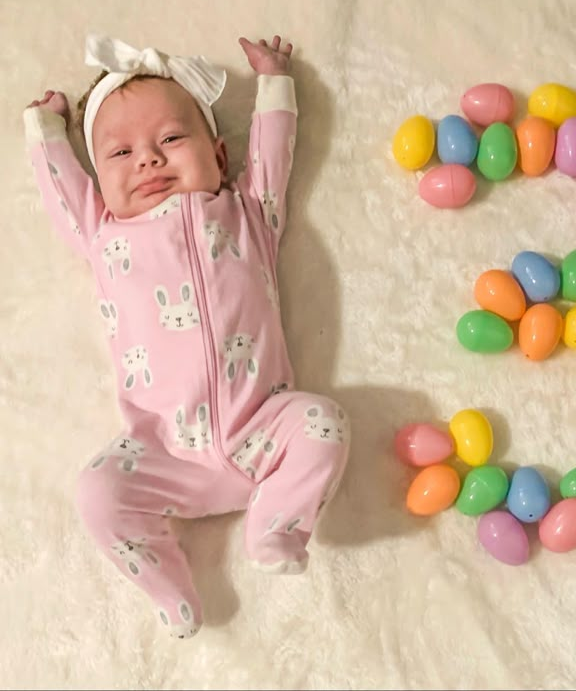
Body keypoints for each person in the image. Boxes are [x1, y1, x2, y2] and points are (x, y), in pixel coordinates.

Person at [23, 33, 350, 639]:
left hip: (263, 429)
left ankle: (275, 522)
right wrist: (45, 130)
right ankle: (166, 587)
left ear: (219, 158)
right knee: (96, 492)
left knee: (324, 423)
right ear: (100, 181)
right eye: (119, 154)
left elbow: (276, 155)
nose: (148, 159)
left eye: (171, 140)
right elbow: (64, 197)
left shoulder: (250, 212)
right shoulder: (103, 236)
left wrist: (277, 82)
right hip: (165, 451)